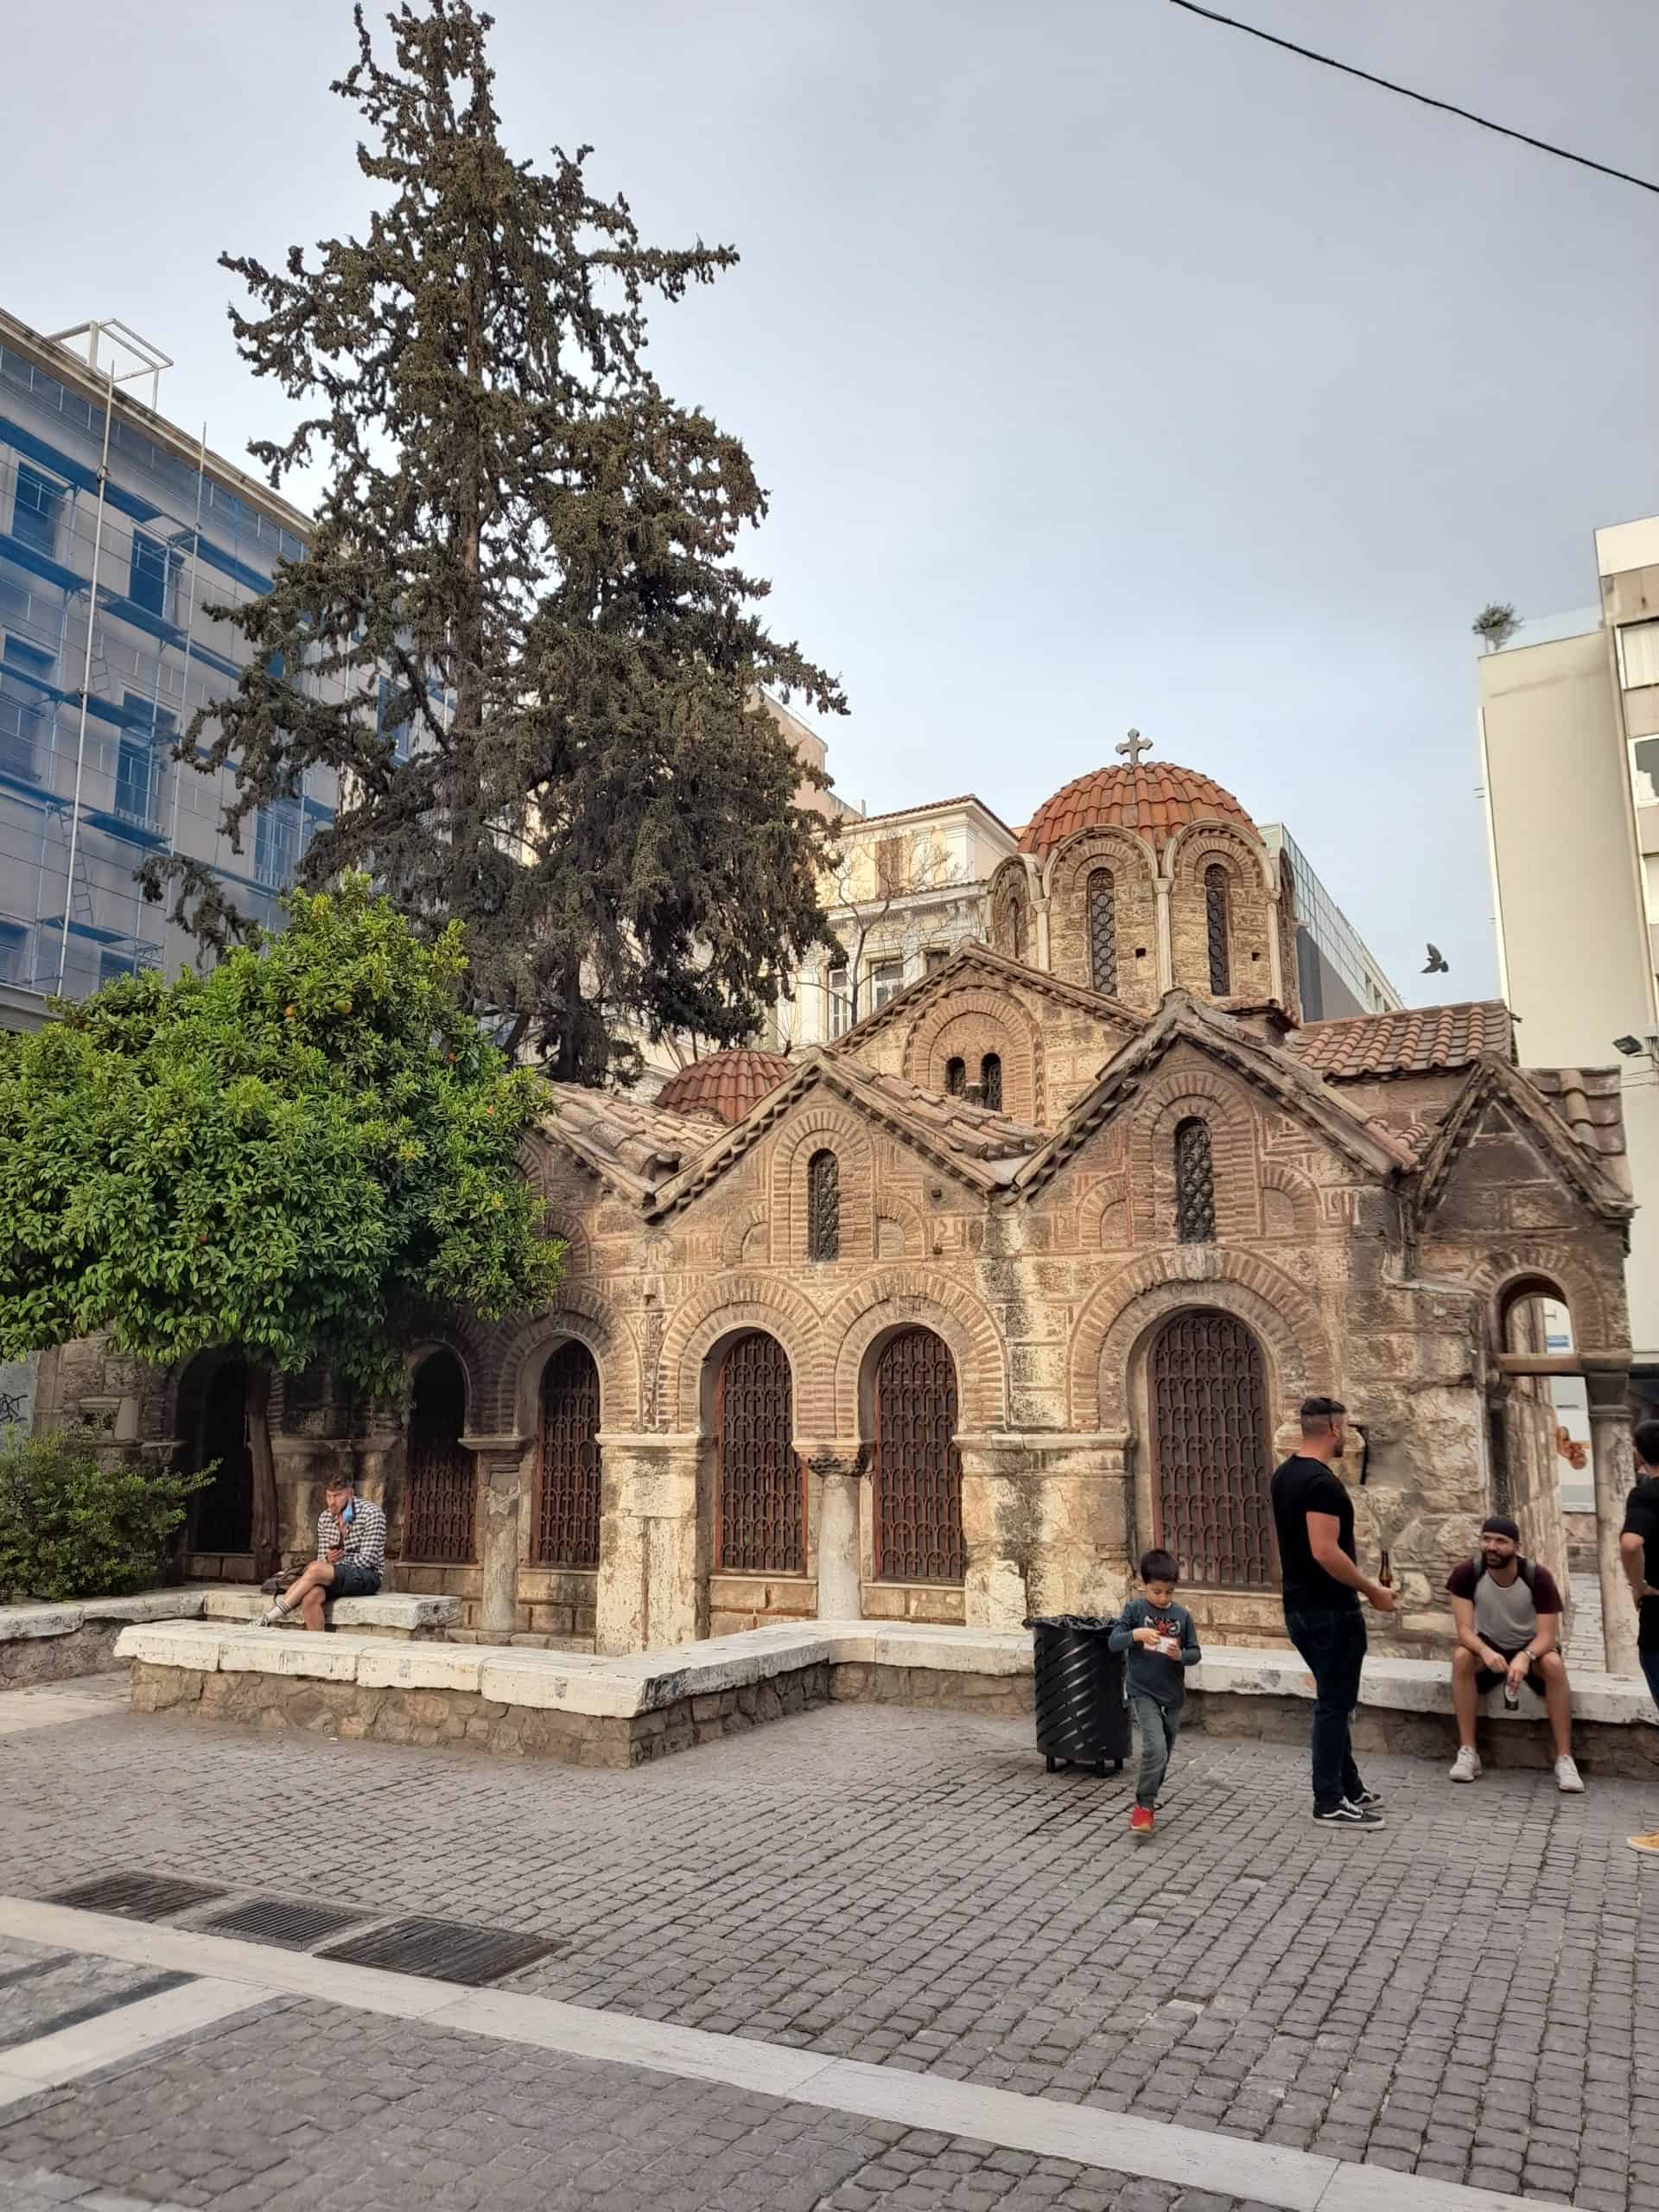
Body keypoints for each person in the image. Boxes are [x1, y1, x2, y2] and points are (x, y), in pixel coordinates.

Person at [1269, 1395, 1395, 1828]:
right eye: (1347, 1429)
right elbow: (1325, 1551)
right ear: (1335, 1430)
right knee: (1334, 1705)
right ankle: (1328, 1801)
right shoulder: (1323, 1484)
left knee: (1334, 1698)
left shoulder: (1283, 1474)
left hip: (1300, 1607)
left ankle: (1350, 1786)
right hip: (1330, 1610)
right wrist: (1371, 1590)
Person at [1446, 1516, 1582, 1792]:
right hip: (1489, 1646)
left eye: (1501, 1541)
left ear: (1516, 1546)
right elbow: (1464, 1630)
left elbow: (1548, 1635)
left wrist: (1526, 1656)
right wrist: (1485, 1651)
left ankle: (1565, 1759)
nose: (1492, 1546)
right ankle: (1468, 1752)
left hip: (1531, 1648)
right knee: (1461, 1657)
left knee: (1554, 1663)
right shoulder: (1466, 1573)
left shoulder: (1537, 1576)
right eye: (1486, 1539)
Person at [1109, 1548, 1201, 1840]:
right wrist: (1136, 1635)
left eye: (1169, 1592)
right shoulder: (1135, 1610)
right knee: (1155, 1749)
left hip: (1172, 1694)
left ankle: (1149, 1798)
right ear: (1143, 1584)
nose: (1162, 1598)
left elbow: (1195, 1653)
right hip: (1142, 1690)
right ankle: (1144, 1805)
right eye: (1157, 1591)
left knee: (1164, 1755)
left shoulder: (1182, 1616)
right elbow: (1113, 1642)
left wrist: (1179, 1655)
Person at [260, 1474, 385, 1630]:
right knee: (310, 1598)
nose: (332, 1502)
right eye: (329, 1496)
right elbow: (321, 1559)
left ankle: (270, 1616)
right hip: (333, 1576)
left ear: (351, 1493)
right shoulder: (325, 1518)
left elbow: (367, 1560)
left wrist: (334, 1565)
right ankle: (318, 1646)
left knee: (317, 1568)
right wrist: (328, 1559)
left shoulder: (372, 1514)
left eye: (338, 1496)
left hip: (367, 1576)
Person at [1621, 1420, 1659, 1853]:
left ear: (1639, 1454)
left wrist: (1638, 1585)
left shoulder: (1647, 1493)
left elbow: (1631, 1545)